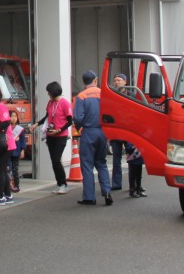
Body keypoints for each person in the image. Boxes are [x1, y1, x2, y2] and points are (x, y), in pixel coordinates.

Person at [73, 70, 112, 206]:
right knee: (101, 163)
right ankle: (107, 192)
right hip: (102, 131)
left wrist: (79, 127)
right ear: (95, 80)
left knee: (87, 165)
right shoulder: (104, 94)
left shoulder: (82, 95)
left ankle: (89, 197)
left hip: (88, 132)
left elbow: (78, 117)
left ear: (84, 82)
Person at [29, 81, 73, 194]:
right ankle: (60, 184)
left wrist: (59, 130)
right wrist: (36, 124)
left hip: (60, 136)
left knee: (56, 160)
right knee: (54, 161)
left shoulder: (64, 103)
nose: (48, 94)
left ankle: (63, 184)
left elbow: (70, 121)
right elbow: (47, 117)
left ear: (53, 92)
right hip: (50, 136)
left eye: (49, 92)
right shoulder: (50, 102)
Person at [108, 73, 128, 191]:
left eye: (119, 80)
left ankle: (134, 185)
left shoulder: (131, 95)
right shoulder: (112, 95)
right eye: (114, 80)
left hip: (128, 131)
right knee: (116, 159)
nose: (116, 82)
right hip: (116, 131)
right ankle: (116, 183)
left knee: (132, 158)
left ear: (125, 82)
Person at [8, 110, 26, 192]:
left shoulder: (20, 129)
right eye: (12, 116)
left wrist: (22, 150)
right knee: (8, 168)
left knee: (15, 169)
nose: (14, 118)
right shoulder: (6, 128)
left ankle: (16, 185)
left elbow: (23, 141)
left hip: (16, 152)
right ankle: (9, 185)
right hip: (7, 152)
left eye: (15, 116)